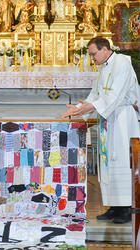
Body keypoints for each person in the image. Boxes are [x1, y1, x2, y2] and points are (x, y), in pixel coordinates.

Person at [60, 36, 139, 224]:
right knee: (107, 163)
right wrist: (80, 110)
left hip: (122, 119)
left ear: (105, 49)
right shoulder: (104, 68)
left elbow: (116, 94)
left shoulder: (122, 64)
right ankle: (114, 206)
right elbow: (95, 94)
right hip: (108, 118)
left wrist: (92, 107)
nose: (92, 58)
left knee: (120, 161)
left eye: (93, 54)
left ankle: (127, 208)